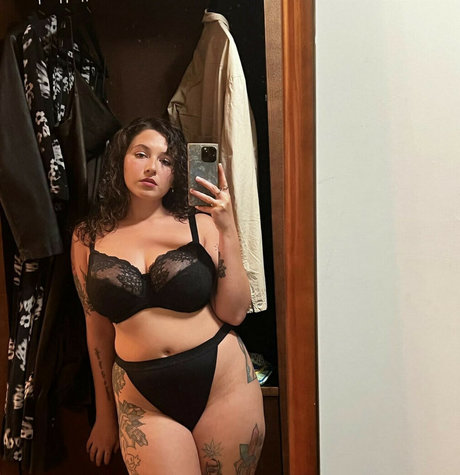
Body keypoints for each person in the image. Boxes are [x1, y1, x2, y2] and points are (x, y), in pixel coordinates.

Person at [71, 117, 265, 474]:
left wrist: (228, 229)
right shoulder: (87, 238)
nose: (152, 167)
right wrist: (104, 415)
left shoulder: (202, 223)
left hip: (223, 384)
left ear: (176, 173)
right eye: (141, 154)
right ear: (120, 160)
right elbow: (96, 331)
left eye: (166, 160)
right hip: (142, 399)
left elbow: (235, 313)